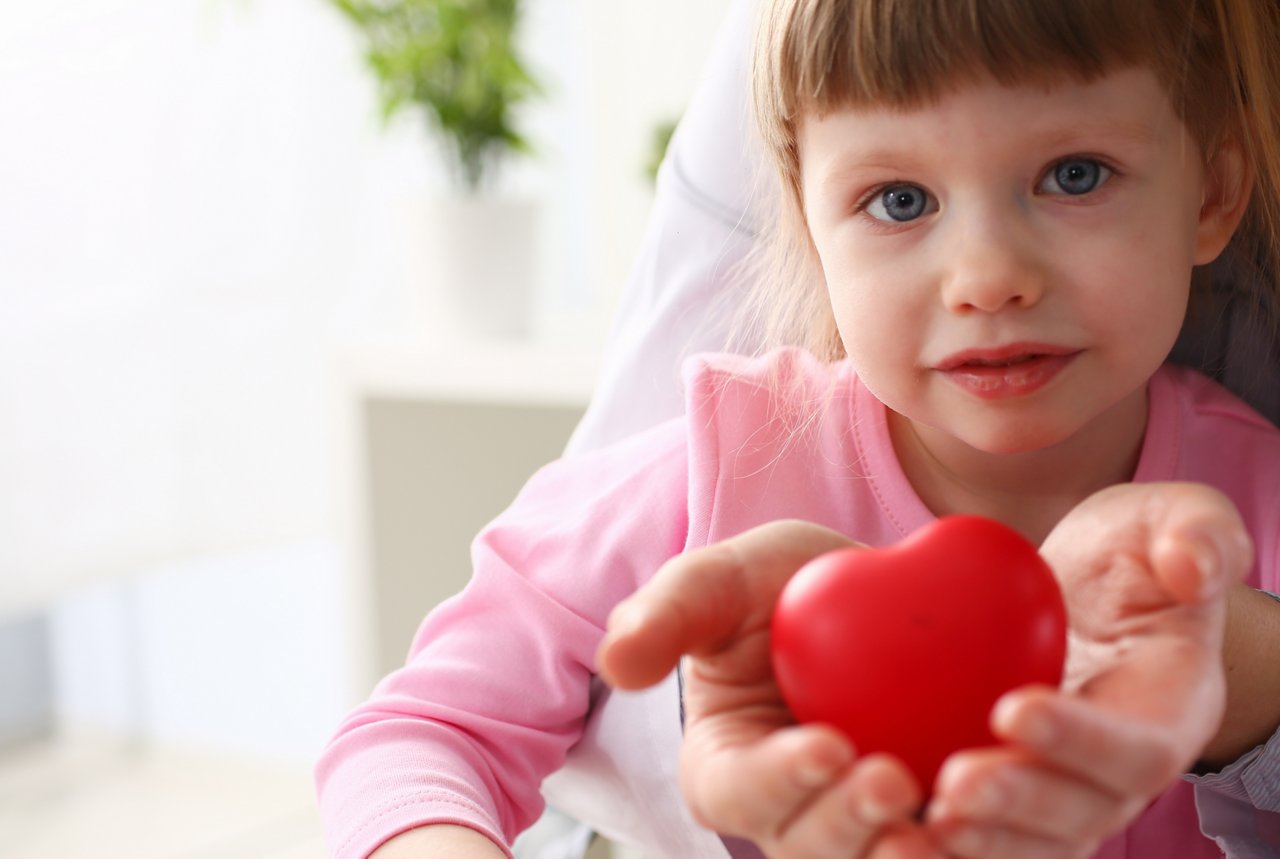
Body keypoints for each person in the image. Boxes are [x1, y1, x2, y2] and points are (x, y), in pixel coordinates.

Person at [315, 1, 1280, 857]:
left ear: (1213, 192)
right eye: (899, 201)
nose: (987, 275)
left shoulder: (1257, 506)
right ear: (808, 219)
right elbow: (420, 734)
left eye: (1075, 175)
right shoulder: (714, 465)